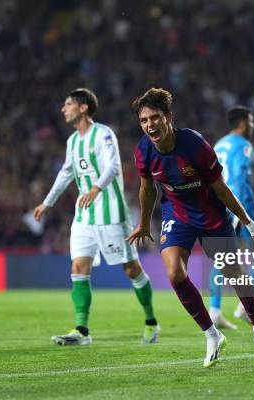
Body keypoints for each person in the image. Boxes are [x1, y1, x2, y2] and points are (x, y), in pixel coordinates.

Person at [127, 88, 254, 367]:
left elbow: (221, 189)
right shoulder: (143, 151)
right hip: (177, 213)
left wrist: (251, 225)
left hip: (211, 214)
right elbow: (147, 190)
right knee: (174, 273)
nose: (150, 125)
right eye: (144, 120)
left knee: (235, 276)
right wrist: (144, 223)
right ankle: (211, 334)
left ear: (169, 117)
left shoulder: (195, 145)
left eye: (155, 118)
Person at [33, 88, 159, 345]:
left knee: (130, 268)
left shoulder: (103, 134)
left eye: (68, 104)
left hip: (111, 213)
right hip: (84, 216)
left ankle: (151, 321)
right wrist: (47, 203)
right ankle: (81, 331)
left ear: (83, 108)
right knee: (79, 267)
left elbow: (113, 167)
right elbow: (66, 174)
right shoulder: (72, 141)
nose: (63, 109)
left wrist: (95, 188)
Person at [210, 106, 254, 329]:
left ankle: (215, 311)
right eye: (251, 122)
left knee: (222, 258)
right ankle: (245, 305)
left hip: (219, 203)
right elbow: (237, 177)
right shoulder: (243, 145)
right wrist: (251, 210)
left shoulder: (219, 144)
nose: (253, 127)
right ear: (243, 123)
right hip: (239, 203)